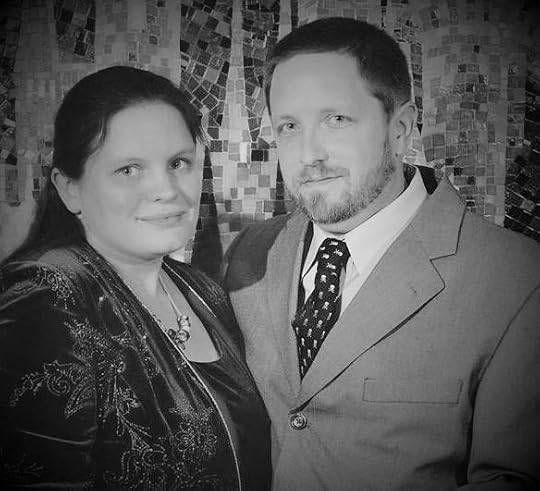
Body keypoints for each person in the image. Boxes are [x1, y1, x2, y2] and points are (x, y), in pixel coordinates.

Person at [218, 17, 540, 490]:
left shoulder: (517, 280)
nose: (309, 154)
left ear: (401, 128)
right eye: (289, 126)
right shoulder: (250, 255)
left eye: (336, 120)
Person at [0, 66, 271, 489]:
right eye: (129, 169)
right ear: (70, 188)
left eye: (178, 163)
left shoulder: (203, 290)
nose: (167, 189)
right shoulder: (46, 293)